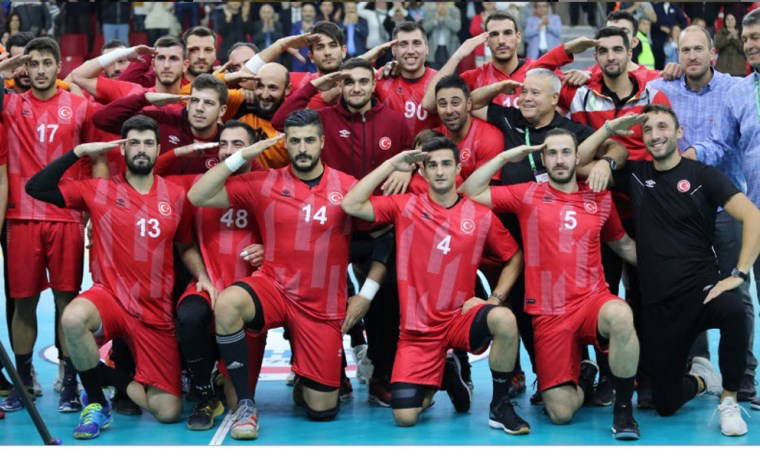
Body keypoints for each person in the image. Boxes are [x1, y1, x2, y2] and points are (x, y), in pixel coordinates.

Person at [25, 115, 214, 439]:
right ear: (123, 150)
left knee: (167, 412)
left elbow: (185, 246)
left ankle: (106, 376)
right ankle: (96, 403)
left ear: (158, 150)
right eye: (133, 143)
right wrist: (78, 152)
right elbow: (36, 188)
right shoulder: (98, 189)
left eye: (148, 143)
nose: (141, 149)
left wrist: (203, 276)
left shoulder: (176, 195)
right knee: (73, 318)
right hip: (110, 296)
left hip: (155, 311)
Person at [460, 128, 641, 441]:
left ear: (577, 157)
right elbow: (470, 191)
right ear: (543, 159)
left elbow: (624, 245)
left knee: (621, 314)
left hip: (591, 301)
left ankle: (623, 410)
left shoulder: (599, 197)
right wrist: (505, 158)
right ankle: (584, 376)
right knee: (560, 413)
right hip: (549, 312)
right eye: (552, 153)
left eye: (566, 152)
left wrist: (671, 270)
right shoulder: (528, 194)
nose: (559, 160)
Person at [340, 136, 529, 433]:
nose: (440, 171)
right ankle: (446, 373)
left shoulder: (480, 215)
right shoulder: (405, 207)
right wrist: (392, 164)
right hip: (418, 331)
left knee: (504, 318)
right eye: (432, 165)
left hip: (459, 318)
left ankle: (500, 406)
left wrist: (494, 299)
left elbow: (514, 256)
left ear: (458, 169)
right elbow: (351, 203)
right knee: (405, 417)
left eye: (446, 164)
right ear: (422, 171)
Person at [187, 110, 356, 439]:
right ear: (285, 145)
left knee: (322, 410)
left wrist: (365, 293)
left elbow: (380, 233)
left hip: (320, 303)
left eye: (309, 140)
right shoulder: (264, 182)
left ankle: (306, 376)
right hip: (274, 287)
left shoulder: (348, 186)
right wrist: (242, 156)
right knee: (229, 303)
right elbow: (198, 195)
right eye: (295, 141)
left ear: (322, 142)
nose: (302, 148)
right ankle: (246, 404)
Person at [615, 104, 760, 436]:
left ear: (679, 133)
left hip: (702, 291)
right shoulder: (636, 175)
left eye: (663, 127)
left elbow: (753, 216)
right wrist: (609, 135)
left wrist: (738, 274)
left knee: (734, 311)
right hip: (659, 305)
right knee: (665, 404)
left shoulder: (702, 175)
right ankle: (701, 379)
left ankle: (729, 399)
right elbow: (578, 164)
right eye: (648, 129)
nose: (655, 135)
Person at [648, 25, 755, 402]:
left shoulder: (734, 89)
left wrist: (689, 158)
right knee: (686, 287)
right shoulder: (661, 88)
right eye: (685, 50)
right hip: (682, 211)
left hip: (725, 203)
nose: (692, 56)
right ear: (676, 55)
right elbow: (629, 82)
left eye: (698, 49)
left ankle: (743, 372)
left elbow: (725, 140)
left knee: (735, 288)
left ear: (713, 53)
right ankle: (697, 365)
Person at [0, 37, 103, 414]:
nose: (41, 70)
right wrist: (4, 69)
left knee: (66, 303)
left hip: (66, 217)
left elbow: (96, 163)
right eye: (34, 64)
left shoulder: (81, 107)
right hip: (22, 217)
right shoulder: (10, 105)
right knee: (23, 303)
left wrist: (95, 215)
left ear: (60, 67)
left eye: (48, 63)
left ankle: (69, 381)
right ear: (25, 69)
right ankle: (25, 379)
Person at [154, 122, 267, 431]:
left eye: (238, 145)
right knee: (190, 316)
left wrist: (268, 250)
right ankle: (204, 394)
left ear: (254, 148)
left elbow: (290, 231)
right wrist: (202, 276)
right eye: (224, 144)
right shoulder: (198, 185)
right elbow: (151, 177)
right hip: (210, 282)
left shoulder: (269, 184)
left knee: (236, 399)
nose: (229, 151)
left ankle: (306, 377)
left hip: (255, 290)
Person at [682, 12, 760, 408]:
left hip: (739, 209)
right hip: (752, 207)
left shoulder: (729, 86)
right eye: (747, 38)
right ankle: (736, 377)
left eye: (757, 37)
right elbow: (720, 141)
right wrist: (690, 157)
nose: (750, 44)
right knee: (739, 289)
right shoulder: (740, 92)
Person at [92, 74, 228, 175]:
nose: (199, 108)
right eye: (194, 100)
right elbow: (102, 119)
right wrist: (144, 98)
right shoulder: (164, 120)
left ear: (222, 110)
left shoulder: (230, 141)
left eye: (208, 103)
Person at [369, 20, 441, 136]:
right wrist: (370, 54)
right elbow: (345, 79)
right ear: (393, 50)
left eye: (416, 43)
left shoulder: (441, 81)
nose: (410, 51)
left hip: (431, 147)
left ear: (427, 49)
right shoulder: (381, 78)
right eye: (403, 44)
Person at [432, 75, 503, 180]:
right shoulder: (434, 137)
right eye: (442, 104)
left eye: (455, 103)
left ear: (468, 104)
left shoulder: (489, 138)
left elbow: (482, 187)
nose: (449, 111)